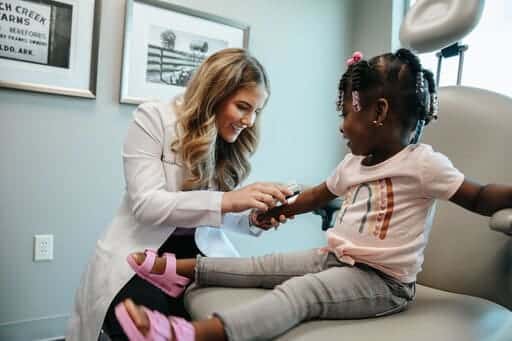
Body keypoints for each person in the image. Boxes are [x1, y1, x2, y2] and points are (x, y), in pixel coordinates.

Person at [114, 48, 512, 341]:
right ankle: (173, 269)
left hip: (383, 283)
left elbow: (479, 197)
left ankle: (193, 334)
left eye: (346, 114)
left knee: (300, 292)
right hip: (337, 259)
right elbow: (316, 196)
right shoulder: (354, 163)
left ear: (378, 112)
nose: (341, 127)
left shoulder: (423, 164)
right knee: (265, 265)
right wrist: (275, 210)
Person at [65, 48, 294, 341]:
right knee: (146, 331)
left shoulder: (227, 140)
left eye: (256, 111)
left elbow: (213, 216)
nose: (249, 120)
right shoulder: (153, 119)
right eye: (242, 107)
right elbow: (146, 205)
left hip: (197, 257)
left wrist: (252, 217)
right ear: (214, 94)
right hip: (139, 257)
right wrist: (227, 200)